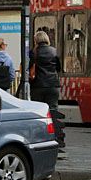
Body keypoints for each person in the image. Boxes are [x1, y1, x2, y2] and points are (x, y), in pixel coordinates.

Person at [29, 30, 66, 158]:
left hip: (38, 86)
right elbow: (59, 68)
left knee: (39, 113)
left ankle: (41, 140)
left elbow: (30, 68)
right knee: (53, 112)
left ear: (36, 40)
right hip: (53, 86)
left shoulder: (34, 52)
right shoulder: (54, 51)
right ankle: (57, 140)